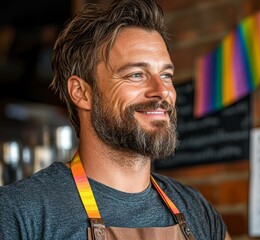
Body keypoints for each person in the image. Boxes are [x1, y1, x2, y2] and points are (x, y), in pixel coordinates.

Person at [0, 0, 232, 239]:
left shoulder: (199, 212)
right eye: (136, 74)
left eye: (166, 75)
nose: (162, 91)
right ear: (82, 93)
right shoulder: (20, 213)